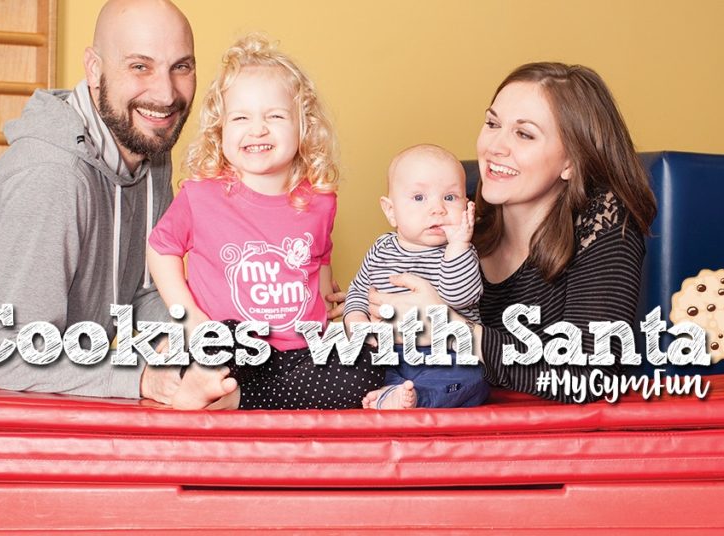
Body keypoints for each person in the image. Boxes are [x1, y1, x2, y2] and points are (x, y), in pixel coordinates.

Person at [0, 1, 198, 533]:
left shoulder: (149, 148)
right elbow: (7, 351)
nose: (166, 92)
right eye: (140, 66)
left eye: (181, 65)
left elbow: (142, 291)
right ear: (93, 69)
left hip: (52, 403)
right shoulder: (51, 177)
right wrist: (144, 376)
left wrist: (192, 336)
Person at [366, 62, 657, 403]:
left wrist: (455, 330)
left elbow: (589, 374)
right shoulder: (457, 213)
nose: (495, 147)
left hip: (551, 444)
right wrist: (361, 305)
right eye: (492, 124)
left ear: (571, 161)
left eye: (524, 134)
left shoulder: (602, 224)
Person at [146, 34, 384, 410]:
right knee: (223, 340)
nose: (257, 128)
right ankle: (209, 384)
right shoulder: (201, 195)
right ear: (220, 129)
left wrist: (327, 304)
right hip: (230, 345)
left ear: (303, 126)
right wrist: (191, 319)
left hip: (298, 351)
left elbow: (319, 257)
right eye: (241, 117)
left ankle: (234, 400)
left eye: (274, 116)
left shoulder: (320, 200)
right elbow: (161, 250)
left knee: (369, 366)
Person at [344, 144, 488, 410]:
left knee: (472, 377)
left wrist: (458, 246)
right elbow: (358, 290)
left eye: (450, 197)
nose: (437, 209)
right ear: (391, 211)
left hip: (444, 355)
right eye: (419, 198)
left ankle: (416, 397)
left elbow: (462, 295)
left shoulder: (459, 251)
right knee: (347, 365)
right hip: (387, 353)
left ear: (467, 206)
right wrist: (356, 322)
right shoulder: (381, 248)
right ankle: (388, 392)